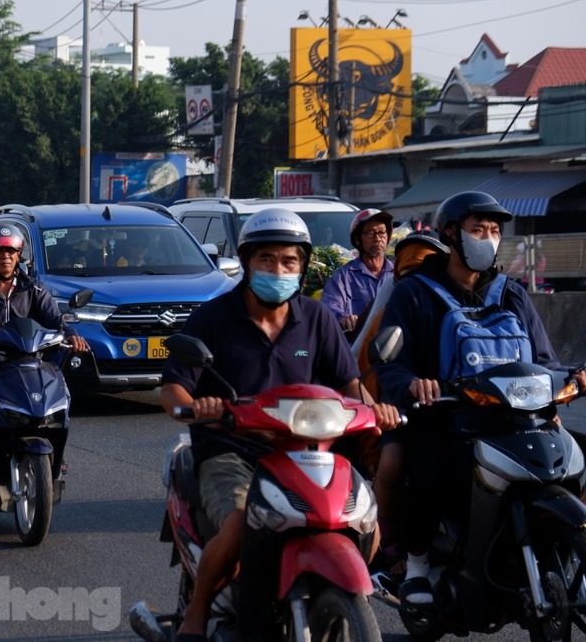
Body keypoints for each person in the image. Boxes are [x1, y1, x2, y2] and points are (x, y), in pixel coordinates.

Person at [159, 208, 400, 640]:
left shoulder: (317, 319)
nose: (278, 269)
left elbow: (349, 386)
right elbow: (174, 389)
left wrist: (374, 411)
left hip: (307, 451)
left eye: (289, 261)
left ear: (302, 267)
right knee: (238, 523)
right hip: (233, 451)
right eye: (266, 260)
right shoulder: (213, 318)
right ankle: (196, 615)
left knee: (369, 526)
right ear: (247, 263)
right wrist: (197, 409)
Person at [376, 190, 584, 605]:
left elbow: (543, 359)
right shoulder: (414, 293)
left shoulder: (512, 294)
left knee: (570, 465)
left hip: (516, 421)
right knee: (429, 472)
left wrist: (566, 383)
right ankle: (416, 565)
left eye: (493, 231)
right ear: (451, 235)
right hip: (447, 418)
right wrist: (414, 384)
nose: (487, 239)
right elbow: (391, 361)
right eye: (477, 229)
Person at [0, 225, 90, 486]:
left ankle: (56, 452)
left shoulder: (32, 288)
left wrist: (70, 334)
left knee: (58, 392)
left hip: (29, 358)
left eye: (11, 251)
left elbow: (54, 318)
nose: (6, 256)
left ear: (19, 254)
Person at [346, 229, 447, 576]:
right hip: (404, 402)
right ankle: (389, 541)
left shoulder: (460, 303)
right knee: (392, 461)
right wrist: (407, 386)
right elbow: (373, 367)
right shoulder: (395, 306)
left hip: (456, 403)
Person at [322, 208, 394, 338]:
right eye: (371, 233)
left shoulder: (397, 274)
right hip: (355, 347)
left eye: (382, 232)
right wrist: (343, 318)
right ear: (358, 239)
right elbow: (329, 308)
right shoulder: (343, 277)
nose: (378, 239)